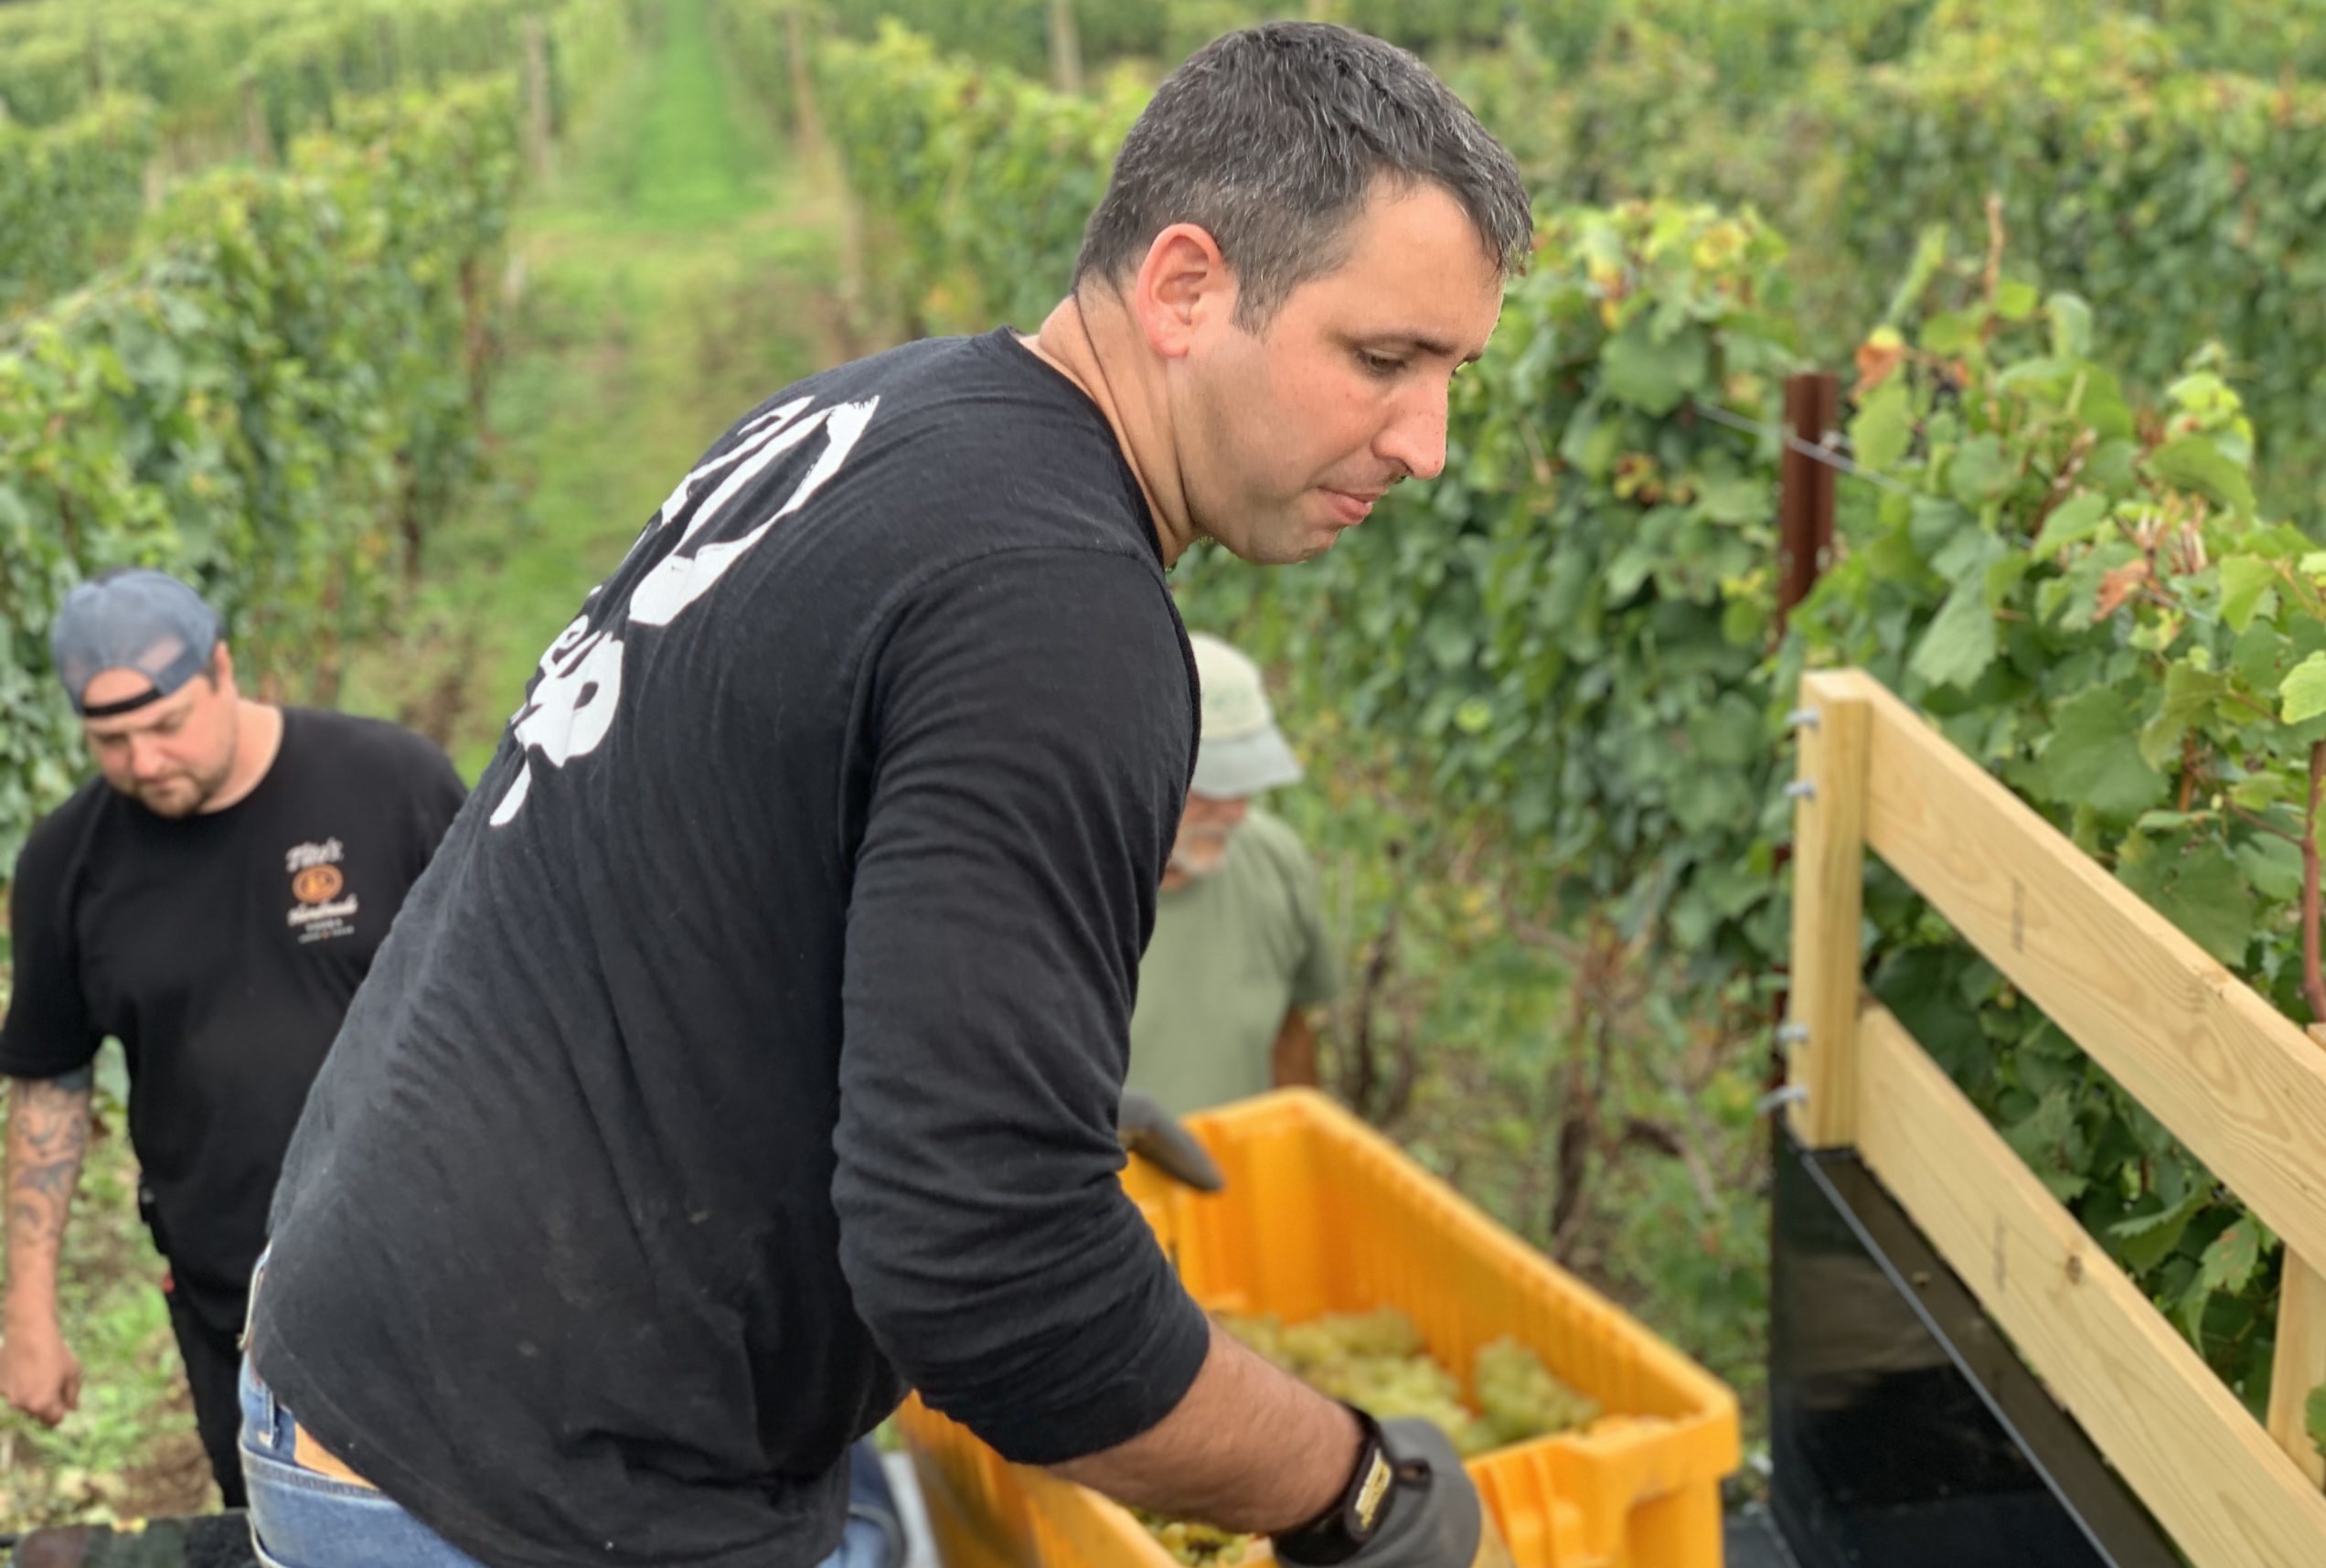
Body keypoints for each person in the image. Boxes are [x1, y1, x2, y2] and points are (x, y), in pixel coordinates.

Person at [245, 21, 1528, 1568]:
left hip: (380, 1345)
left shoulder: (877, 418)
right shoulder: (1059, 608)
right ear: (1186, 286)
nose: (1428, 445)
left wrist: (999, 1047)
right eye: (1382, 360)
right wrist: (1355, 1486)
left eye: (1450, 373)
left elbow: (719, 854)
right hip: (525, 1482)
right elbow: (995, 1279)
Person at [0, 568, 467, 1509]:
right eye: (111, 741)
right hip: (237, 1307)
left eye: (166, 723)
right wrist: (27, 1308)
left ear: (223, 668)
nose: (144, 760)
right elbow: (50, 1081)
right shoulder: (68, 863)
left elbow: (511, 998)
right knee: (280, 1528)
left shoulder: (391, 784)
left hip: (441, 1275)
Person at [1129, 633, 1339, 1115]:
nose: (1234, 811)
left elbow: (1290, 1036)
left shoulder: (1276, 864)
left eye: (1243, 780)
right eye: (1210, 783)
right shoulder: (1054, 886)